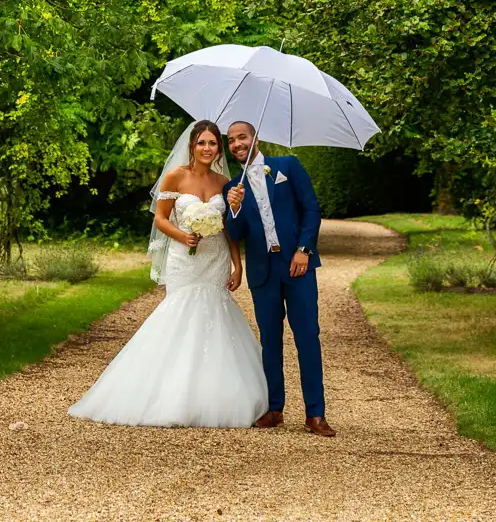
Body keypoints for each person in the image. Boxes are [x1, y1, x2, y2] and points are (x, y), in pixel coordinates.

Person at [68, 120, 269, 427]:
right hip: (184, 259)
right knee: (179, 316)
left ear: (219, 148)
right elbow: (161, 219)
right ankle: (167, 394)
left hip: (214, 259)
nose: (206, 148)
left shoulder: (225, 182)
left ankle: (213, 396)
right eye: (201, 143)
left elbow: (229, 227)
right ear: (192, 146)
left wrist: (237, 263)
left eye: (212, 143)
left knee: (215, 316)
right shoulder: (175, 177)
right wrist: (182, 237)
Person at [223, 120, 334, 437]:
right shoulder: (231, 188)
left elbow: (311, 210)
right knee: (269, 342)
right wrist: (233, 209)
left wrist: (304, 250)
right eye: (230, 140)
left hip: (297, 267)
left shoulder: (287, 166)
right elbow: (235, 234)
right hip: (263, 271)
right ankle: (275, 410)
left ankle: (316, 414)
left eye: (242, 137)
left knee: (307, 338)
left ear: (255, 138)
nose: (236, 144)